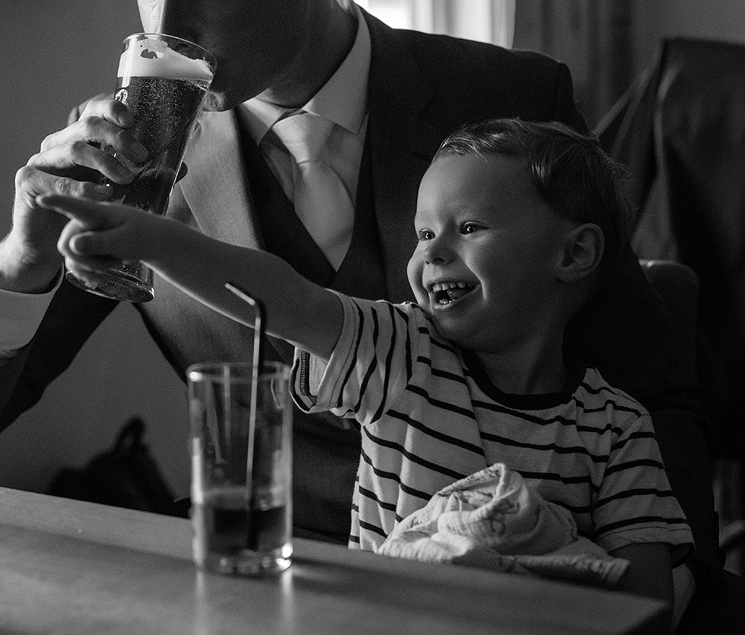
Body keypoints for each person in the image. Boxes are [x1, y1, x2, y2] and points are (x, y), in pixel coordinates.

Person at [0, 0, 716, 571]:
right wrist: (21, 256)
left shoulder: (511, 98)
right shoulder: (131, 160)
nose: (167, 29)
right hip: (255, 574)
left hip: (499, 582)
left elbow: (646, 386)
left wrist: (671, 593)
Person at [39, 118, 693, 624]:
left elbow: (645, 602)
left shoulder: (616, 427)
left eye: (468, 227)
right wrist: (146, 236)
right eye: (423, 234)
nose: (433, 254)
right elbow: (284, 297)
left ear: (574, 252)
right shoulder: (402, 351)